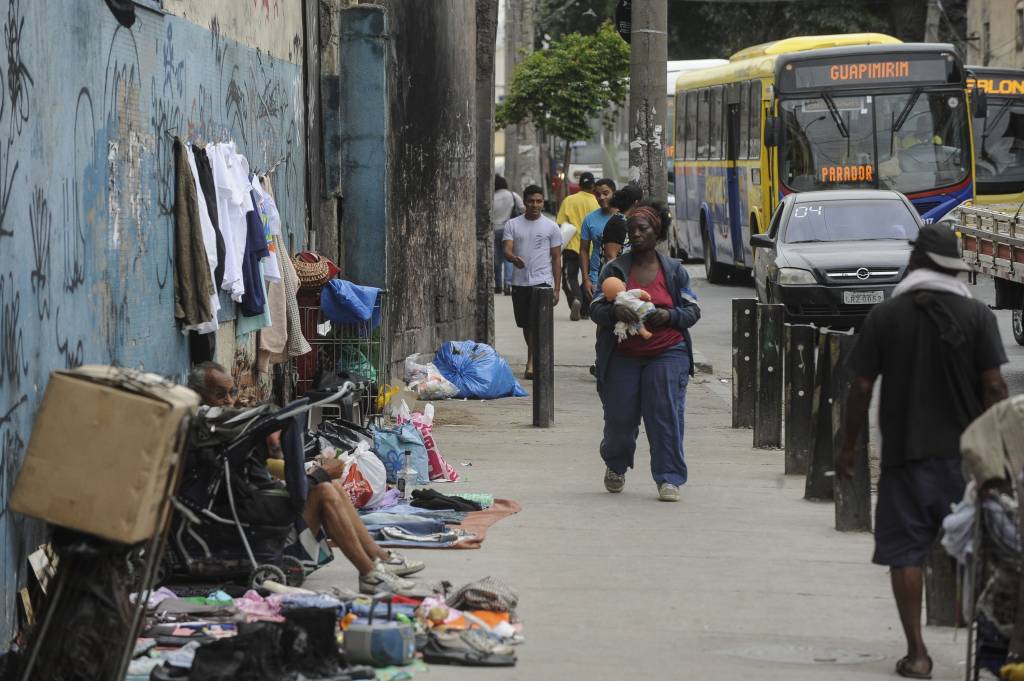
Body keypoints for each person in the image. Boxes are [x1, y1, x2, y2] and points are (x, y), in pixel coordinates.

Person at [838, 224, 1009, 680]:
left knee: (906, 552)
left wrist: (848, 448)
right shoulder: (978, 317)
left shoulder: (887, 314)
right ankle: (995, 652)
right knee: (988, 551)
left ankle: (917, 654)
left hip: (906, 457)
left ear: (915, 263)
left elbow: (860, 387)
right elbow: (994, 386)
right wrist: (1005, 451)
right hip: (969, 461)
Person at [188, 362, 426, 596]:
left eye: (232, 393)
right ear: (198, 396)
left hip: (256, 512)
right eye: (220, 396)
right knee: (324, 490)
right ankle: (369, 572)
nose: (230, 401)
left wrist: (303, 467)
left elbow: (267, 467)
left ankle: (379, 557)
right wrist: (318, 474)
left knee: (330, 486)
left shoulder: (223, 427)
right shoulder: (209, 433)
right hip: (246, 520)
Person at [589, 202, 700, 502]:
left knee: (665, 413)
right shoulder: (616, 269)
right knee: (620, 420)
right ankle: (615, 464)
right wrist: (616, 312)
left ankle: (669, 478)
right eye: (632, 229)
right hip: (624, 355)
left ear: (657, 232)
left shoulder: (674, 271)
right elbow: (596, 307)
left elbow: (692, 310)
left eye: (643, 229)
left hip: (668, 352)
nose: (636, 234)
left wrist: (669, 316)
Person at [503, 184, 562, 379]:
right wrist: (513, 259)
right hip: (520, 283)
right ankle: (536, 357)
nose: (535, 205)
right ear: (525, 202)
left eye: (539, 201)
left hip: (542, 282)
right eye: (531, 201)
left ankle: (532, 362)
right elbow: (507, 249)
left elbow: (556, 258)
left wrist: (556, 288)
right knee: (526, 325)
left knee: (537, 324)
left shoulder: (551, 227)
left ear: (543, 202)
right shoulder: (512, 224)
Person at [556, 172, 599, 321]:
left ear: (579, 185)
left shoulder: (569, 200)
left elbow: (560, 223)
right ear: (593, 186)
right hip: (591, 248)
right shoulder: (597, 202)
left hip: (572, 246)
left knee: (569, 277)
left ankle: (576, 299)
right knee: (589, 279)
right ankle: (585, 311)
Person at [579, 178, 618, 306]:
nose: (601, 197)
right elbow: (584, 250)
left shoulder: (624, 218)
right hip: (597, 279)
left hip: (622, 277)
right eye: (598, 194)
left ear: (614, 193)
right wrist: (586, 280)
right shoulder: (589, 219)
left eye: (605, 193)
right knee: (601, 319)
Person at [491, 175, 524, 295]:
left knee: (497, 259)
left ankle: (498, 285)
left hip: (494, 230)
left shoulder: (492, 197)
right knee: (509, 257)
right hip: (509, 229)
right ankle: (508, 284)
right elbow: (522, 209)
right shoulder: (513, 195)